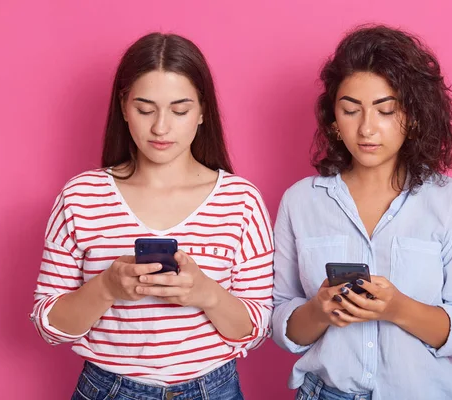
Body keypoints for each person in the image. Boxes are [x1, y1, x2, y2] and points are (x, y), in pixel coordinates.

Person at [30, 32, 274, 400]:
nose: (161, 127)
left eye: (180, 110)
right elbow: (49, 326)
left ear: (203, 110)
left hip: (213, 388)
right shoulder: (80, 196)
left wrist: (206, 293)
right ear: (124, 108)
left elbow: (255, 329)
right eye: (145, 109)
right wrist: (107, 288)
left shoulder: (241, 201)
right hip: (107, 388)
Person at [272, 25, 452, 400]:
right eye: (350, 110)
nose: (367, 128)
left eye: (385, 110)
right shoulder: (300, 201)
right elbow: (281, 322)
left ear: (415, 117)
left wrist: (398, 308)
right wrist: (320, 311)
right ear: (333, 121)